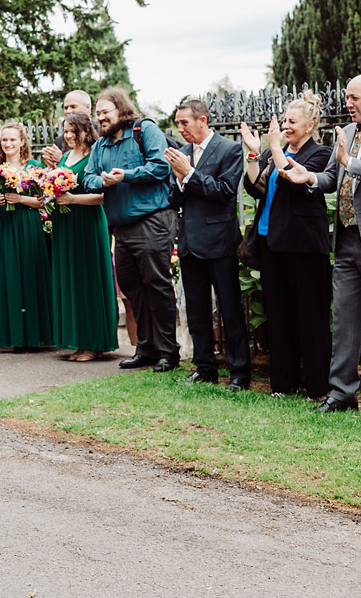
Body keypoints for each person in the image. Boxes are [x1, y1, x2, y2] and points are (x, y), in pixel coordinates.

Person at [279, 73, 361, 414]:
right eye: (347, 97)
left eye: (355, 98)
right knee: (343, 320)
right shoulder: (349, 132)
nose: (348, 104)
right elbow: (331, 176)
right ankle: (341, 394)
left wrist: (350, 163)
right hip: (346, 239)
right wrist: (308, 176)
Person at [240, 92, 332, 398]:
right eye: (285, 120)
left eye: (293, 121)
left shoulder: (320, 153)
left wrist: (276, 147)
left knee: (310, 317)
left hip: (304, 246)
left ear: (310, 125)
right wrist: (255, 154)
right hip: (271, 243)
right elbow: (256, 188)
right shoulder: (272, 153)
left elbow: (293, 180)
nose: (286, 126)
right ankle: (283, 384)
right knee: (278, 315)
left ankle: (318, 387)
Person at [81, 87, 179, 372]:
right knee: (134, 289)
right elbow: (87, 178)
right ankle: (146, 349)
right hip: (121, 227)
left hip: (151, 220)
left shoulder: (144, 130)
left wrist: (126, 176)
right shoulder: (101, 145)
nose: (99, 118)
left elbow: (161, 166)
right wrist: (102, 182)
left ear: (121, 110)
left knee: (157, 286)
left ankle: (168, 352)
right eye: (97, 114)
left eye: (104, 112)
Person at [166, 99, 250, 391]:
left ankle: (239, 372)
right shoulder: (182, 153)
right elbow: (173, 199)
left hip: (219, 243)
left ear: (202, 120)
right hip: (189, 244)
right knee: (197, 310)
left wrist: (189, 174)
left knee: (230, 309)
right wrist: (179, 178)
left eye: (184, 122)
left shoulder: (228, 149)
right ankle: (205, 368)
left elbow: (225, 192)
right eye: (178, 123)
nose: (180, 129)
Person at [39, 113, 117, 361]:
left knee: (88, 280)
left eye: (73, 130)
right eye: (65, 131)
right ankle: (76, 340)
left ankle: (93, 343)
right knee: (69, 280)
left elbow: (105, 196)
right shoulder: (64, 158)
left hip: (87, 224)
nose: (68, 135)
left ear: (86, 130)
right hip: (65, 224)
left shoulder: (96, 155)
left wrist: (73, 199)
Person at [0, 122, 51, 351]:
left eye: (12, 139)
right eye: (4, 140)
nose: (8, 143)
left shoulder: (33, 167)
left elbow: (43, 202)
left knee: (30, 275)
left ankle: (34, 335)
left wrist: (20, 199)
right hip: (3, 228)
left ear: (22, 142)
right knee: (7, 276)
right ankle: (13, 337)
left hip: (27, 226)